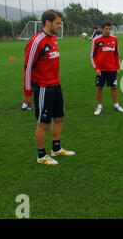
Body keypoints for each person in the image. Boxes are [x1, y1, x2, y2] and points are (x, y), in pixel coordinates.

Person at [23, 10, 75, 166]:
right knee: (43, 123)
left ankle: (56, 149)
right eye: (58, 23)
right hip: (43, 87)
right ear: (48, 22)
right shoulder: (36, 41)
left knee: (59, 118)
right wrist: (27, 92)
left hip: (55, 85)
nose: (60, 26)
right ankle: (41, 156)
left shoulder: (53, 39)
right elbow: (28, 68)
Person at [90, 21, 123, 115]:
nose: (108, 31)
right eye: (106, 29)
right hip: (101, 70)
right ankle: (99, 107)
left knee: (114, 87)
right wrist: (96, 68)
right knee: (99, 88)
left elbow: (116, 55)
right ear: (102, 29)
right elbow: (92, 56)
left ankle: (116, 105)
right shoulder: (96, 40)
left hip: (112, 69)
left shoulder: (114, 39)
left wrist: (118, 68)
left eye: (110, 29)